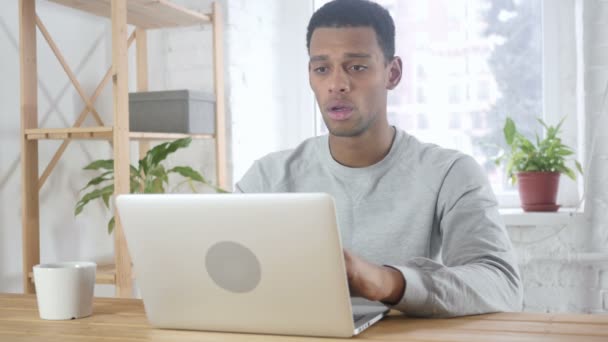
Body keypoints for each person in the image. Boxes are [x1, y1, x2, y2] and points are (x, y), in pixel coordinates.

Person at [235, 0, 523, 317]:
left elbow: (502, 286)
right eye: (322, 69)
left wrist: (387, 282)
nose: (337, 84)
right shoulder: (266, 177)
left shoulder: (449, 173)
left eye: (356, 67)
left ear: (393, 73)